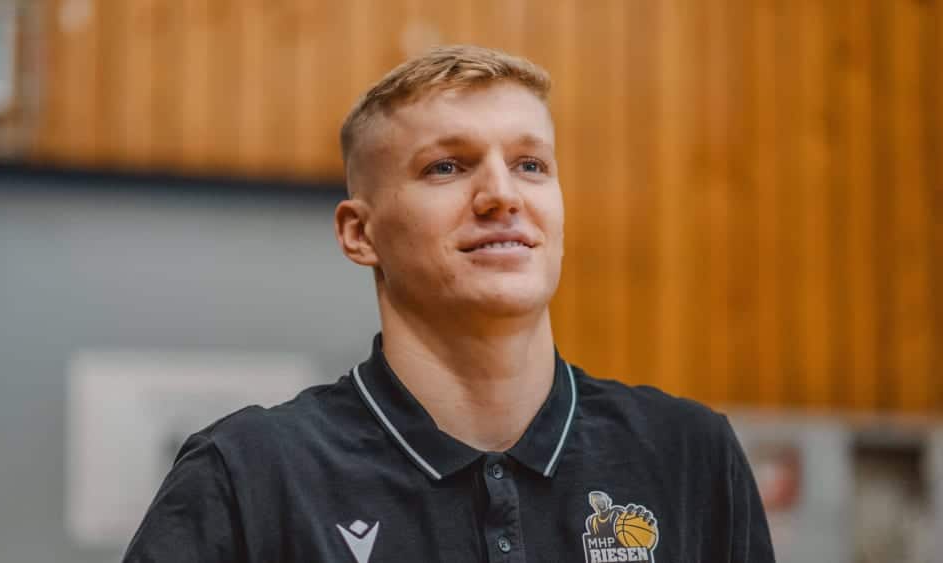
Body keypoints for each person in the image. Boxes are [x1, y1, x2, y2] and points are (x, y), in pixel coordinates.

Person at [123, 45, 774, 563]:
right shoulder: (246, 476)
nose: (502, 195)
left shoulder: (691, 456)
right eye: (447, 167)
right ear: (360, 232)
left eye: (530, 164)